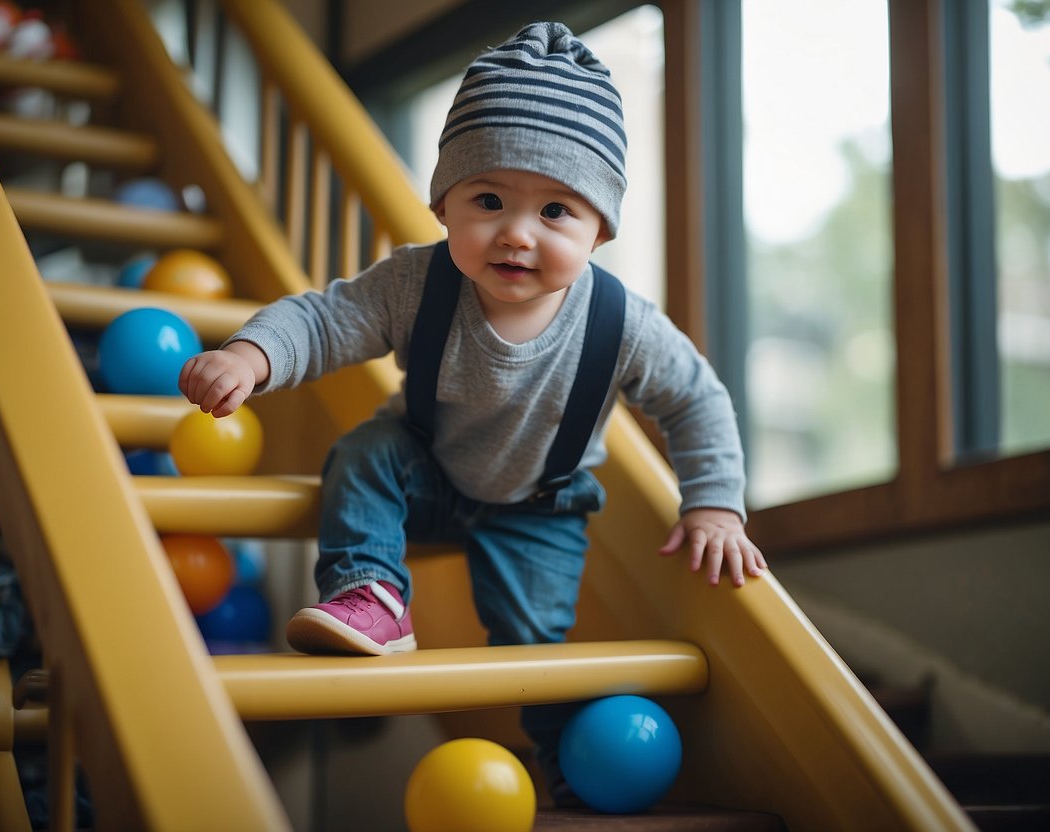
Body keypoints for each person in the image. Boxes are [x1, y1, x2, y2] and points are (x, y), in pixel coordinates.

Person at [178, 21, 765, 804]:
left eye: (556, 211)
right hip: (425, 466)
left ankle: (565, 768)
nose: (516, 233)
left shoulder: (620, 323)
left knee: (531, 644)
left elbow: (694, 397)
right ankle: (371, 593)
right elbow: (323, 320)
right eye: (487, 199)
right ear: (444, 205)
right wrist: (251, 356)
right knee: (364, 453)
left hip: (539, 504)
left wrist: (715, 505)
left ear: (598, 228)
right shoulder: (415, 285)